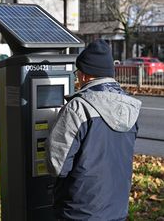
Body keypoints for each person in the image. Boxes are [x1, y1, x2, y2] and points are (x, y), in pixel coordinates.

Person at [45, 39, 142, 221]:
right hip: (117, 209)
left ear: (85, 75)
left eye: (78, 73)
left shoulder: (78, 108)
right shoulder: (131, 107)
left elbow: (57, 165)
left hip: (78, 211)